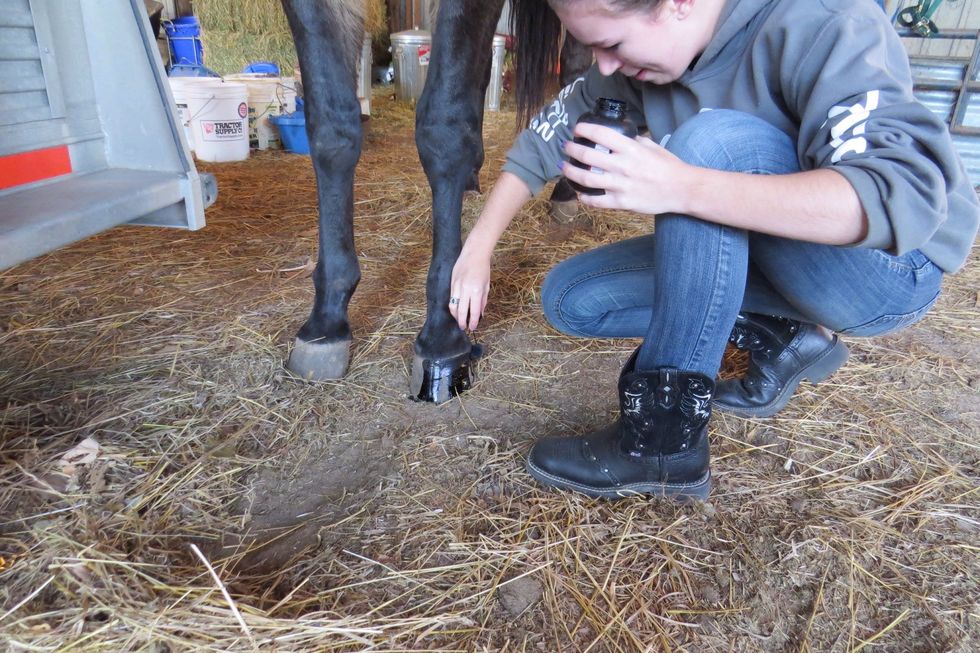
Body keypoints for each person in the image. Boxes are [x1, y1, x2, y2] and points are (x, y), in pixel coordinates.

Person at [448, 0, 980, 500]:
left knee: (712, 143)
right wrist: (477, 248)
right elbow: (547, 137)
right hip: (784, 247)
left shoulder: (824, 19)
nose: (604, 64)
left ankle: (663, 443)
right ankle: (785, 334)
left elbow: (897, 199)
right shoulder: (641, 63)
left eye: (610, 43)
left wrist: (683, 186)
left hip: (888, 268)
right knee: (573, 298)